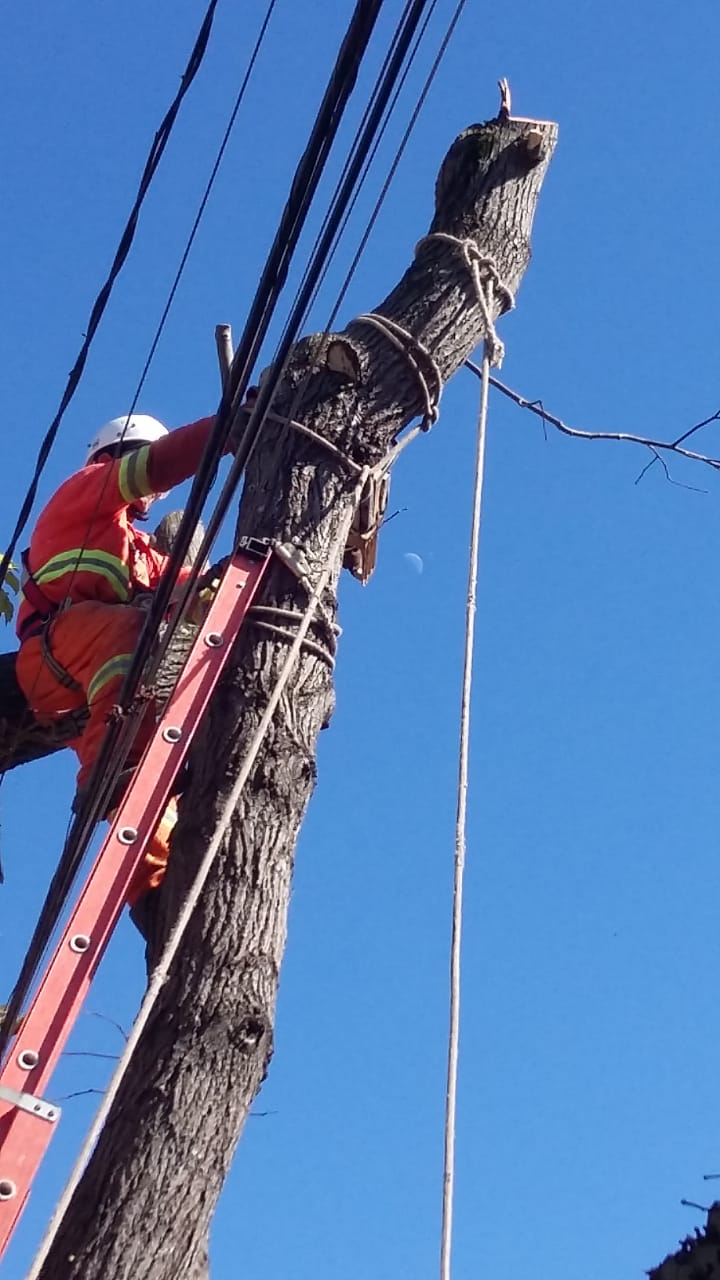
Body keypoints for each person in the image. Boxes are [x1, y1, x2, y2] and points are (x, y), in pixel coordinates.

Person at [15, 411, 227, 931]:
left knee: (155, 768)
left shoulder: (137, 550)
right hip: (55, 651)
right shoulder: (86, 492)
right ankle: (107, 771)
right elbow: (155, 465)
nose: (155, 500)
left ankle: (149, 893)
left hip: (92, 679)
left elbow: (185, 587)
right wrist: (228, 428)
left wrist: (225, 581)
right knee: (126, 635)